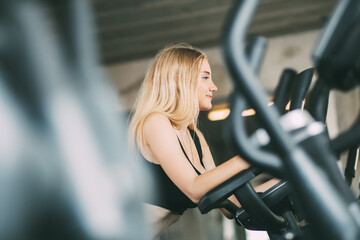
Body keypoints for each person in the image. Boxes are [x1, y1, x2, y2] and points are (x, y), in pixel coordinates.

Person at [129, 44, 278, 239]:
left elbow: (228, 203)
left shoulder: (194, 135)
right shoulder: (156, 122)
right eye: (205, 77)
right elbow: (194, 189)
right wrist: (252, 155)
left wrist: (289, 180)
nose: (214, 86)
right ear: (177, 81)